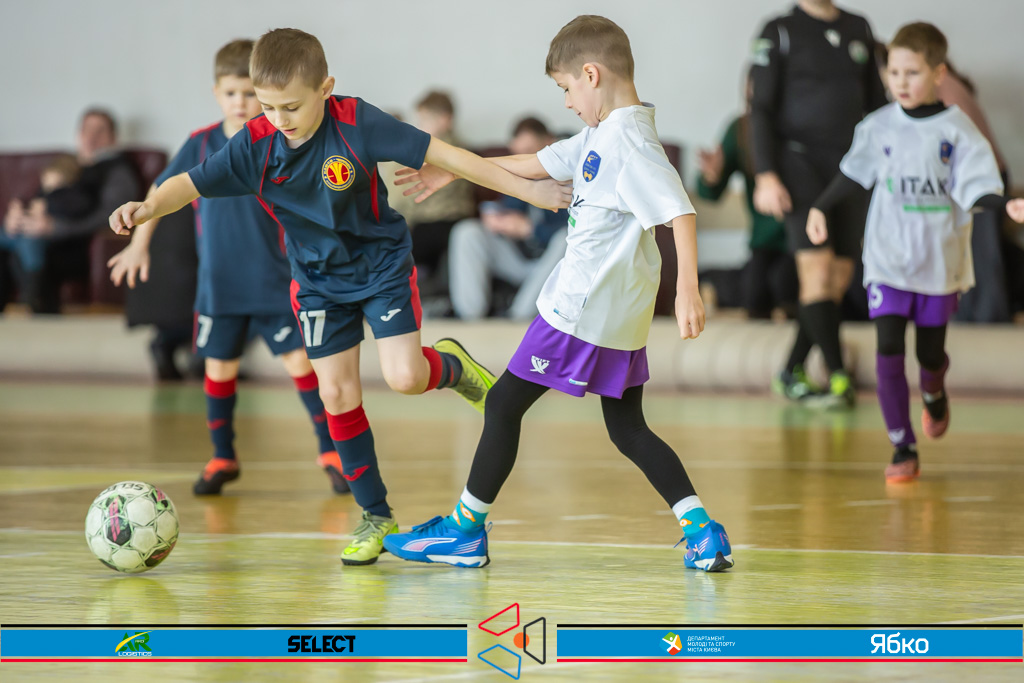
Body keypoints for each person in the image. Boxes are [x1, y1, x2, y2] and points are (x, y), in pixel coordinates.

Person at [108, 28, 570, 566]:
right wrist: (146, 208)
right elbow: (186, 184)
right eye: (267, 106)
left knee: (405, 378)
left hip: (381, 268)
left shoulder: (356, 122)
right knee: (336, 395)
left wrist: (530, 189)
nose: (279, 119)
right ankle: (375, 514)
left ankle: (452, 367)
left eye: (291, 106)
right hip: (317, 284)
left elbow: (452, 157)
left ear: (325, 89)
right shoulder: (254, 144)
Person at [384, 15, 733, 572]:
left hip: (579, 310)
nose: (567, 102)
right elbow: (534, 163)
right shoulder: (604, 133)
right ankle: (703, 530)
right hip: (615, 317)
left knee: (502, 404)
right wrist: (455, 172)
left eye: (566, 88)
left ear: (591, 75)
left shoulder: (631, 143)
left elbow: (680, 211)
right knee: (628, 429)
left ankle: (465, 531)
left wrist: (688, 290)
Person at [108, 40, 349, 497]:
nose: (241, 102)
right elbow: (159, 191)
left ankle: (330, 451)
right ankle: (223, 456)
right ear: (216, 93)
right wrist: (139, 244)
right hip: (219, 286)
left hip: (275, 281)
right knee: (218, 369)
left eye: (249, 93)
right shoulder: (201, 144)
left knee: (301, 364)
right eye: (231, 93)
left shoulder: (279, 141)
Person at [805, 22, 1024, 483]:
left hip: (938, 263)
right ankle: (902, 445)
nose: (900, 82)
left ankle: (934, 389)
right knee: (887, 345)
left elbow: (977, 188)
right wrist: (821, 206)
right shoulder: (879, 126)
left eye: (912, 73)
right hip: (887, 260)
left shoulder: (958, 131)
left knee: (928, 353)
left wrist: (1005, 204)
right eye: (893, 72)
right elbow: (854, 172)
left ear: (938, 74)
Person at [750, 0, 888, 406]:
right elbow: (759, 108)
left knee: (838, 277)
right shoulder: (779, 30)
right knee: (817, 268)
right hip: (798, 164)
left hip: (850, 167)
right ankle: (839, 376)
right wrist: (766, 174)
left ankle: (790, 369)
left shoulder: (859, 26)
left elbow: (877, 103)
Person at [0, 109, 139, 313]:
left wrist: (56, 227)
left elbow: (109, 217)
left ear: (113, 137)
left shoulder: (117, 171)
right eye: (86, 130)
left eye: (99, 131)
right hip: (35, 236)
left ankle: (38, 308)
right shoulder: (66, 166)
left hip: (77, 246)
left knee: (26, 253)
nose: (91, 137)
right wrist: (15, 219)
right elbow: (39, 199)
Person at [448, 116, 568, 320]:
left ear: (549, 143)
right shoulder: (518, 174)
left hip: (550, 264)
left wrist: (531, 229)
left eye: (530, 151)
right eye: (517, 154)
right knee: (467, 231)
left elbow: (576, 229)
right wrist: (497, 219)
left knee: (566, 239)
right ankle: (470, 315)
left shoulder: (569, 173)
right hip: (517, 257)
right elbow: (509, 209)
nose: (523, 160)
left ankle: (520, 315)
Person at [696, 73, 795, 320]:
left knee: (785, 284)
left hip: (799, 236)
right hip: (764, 241)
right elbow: (711, 193)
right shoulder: (741, 129)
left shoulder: (799, 127)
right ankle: (714, 283)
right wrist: (711, 176)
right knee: (754, 295)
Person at [381, 91, 475, 312]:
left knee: (393, 246)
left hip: (440, 223)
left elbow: (410, 198)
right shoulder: (449, 148)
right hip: (440, 222)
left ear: (445, 120)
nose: (420, 126)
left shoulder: (441, 151)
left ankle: (395, 302)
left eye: (425, 120)